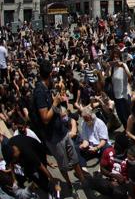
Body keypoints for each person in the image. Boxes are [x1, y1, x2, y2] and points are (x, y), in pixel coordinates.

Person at [32, 59, 85, 192]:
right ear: (49, 74)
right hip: (54, 137)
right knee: (63, 165)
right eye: (53, 75)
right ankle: (68, 184)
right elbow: (44, 118)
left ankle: (84, 181)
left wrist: (58, 103)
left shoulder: (45, 88)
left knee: (74, 158)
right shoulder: (39, 92)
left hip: (62, 130)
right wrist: (55, 103)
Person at [110, 49, 131, 128]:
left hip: (124, 94)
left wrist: (123, 67)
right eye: (114, 57)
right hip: (116, 95)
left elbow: (130, 76)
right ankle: (127, 130)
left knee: (127, 114)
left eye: (117, 57)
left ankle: (131, 130)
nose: (115, 59)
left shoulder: (124, 65)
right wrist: (108, 67)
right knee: (121, 115)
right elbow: (107, 77)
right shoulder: (112, 68)